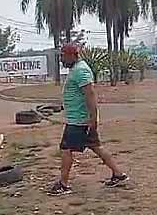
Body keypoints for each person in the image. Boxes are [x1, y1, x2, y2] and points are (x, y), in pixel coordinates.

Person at [47, 44, 128, 195]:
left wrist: (93, 119)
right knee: (96, 147)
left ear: (72, 56)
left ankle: (63, 184)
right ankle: (118, 174)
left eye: (63, 56)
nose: (61, 59)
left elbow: (90, 95)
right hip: (80, 119)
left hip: (79, 121)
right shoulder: (77, 69)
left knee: (66, 150)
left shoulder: (80, 71)